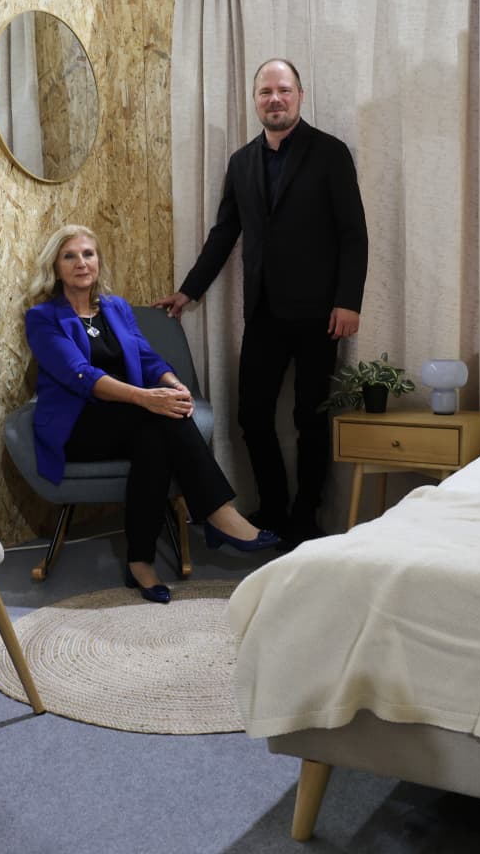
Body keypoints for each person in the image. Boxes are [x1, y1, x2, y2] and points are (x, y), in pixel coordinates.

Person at [154, 59, 368, 547]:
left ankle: (305, 518)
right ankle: (272, 509)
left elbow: (353, 234)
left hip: (320, 315)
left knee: (310, 419)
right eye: (266, 92)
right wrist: (189, 290)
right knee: (252, 416)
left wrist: (348, 301)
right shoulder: (241, 162)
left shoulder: (330, 153)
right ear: (254, 100)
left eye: (284, 90)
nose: (275, 99)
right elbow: (225, 233)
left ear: (300, 95)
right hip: (264, 314)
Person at [25, 225, 280, 603]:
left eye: (88, 254)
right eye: (70, 256)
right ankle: (218, 513)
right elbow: (81, 375)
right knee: (156, 418)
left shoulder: (115, 308)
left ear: (98, 261)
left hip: (129, 418)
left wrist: (174, 386)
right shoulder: (43, 317)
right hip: (77, 425)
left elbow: (147, 359)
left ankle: (140, 561)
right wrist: (147, 398)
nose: (81, 263)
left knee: (154, 437)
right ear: (56, 268)